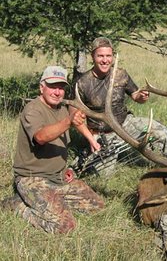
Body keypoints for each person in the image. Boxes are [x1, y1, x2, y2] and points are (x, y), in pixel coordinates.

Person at [0, 66, 104, 234]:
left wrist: (91, 140)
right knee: (65, 226)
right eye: (52, 86)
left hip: (58, 178)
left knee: (96, 206)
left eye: (61, 87)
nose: (57, 92)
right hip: (33, 179)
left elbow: (75, 123)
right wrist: (68, 121)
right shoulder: (33, 110)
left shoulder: (62, 110)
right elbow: (40, 137)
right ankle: (19, 206)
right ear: (42, 87)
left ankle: (45, 201)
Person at [71, 37, 167, 174]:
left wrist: (142, 96)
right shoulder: (82, 83)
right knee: (102, 175)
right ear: (92, 56)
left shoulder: (120, 74)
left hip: (127, 124)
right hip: (102, 135)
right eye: (100, 56)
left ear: (113, 56)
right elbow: (74, 117)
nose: (105, 60)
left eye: (108, 56)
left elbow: (136, 96)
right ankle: (85, 158)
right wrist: (91, 139)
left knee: (162, 132)